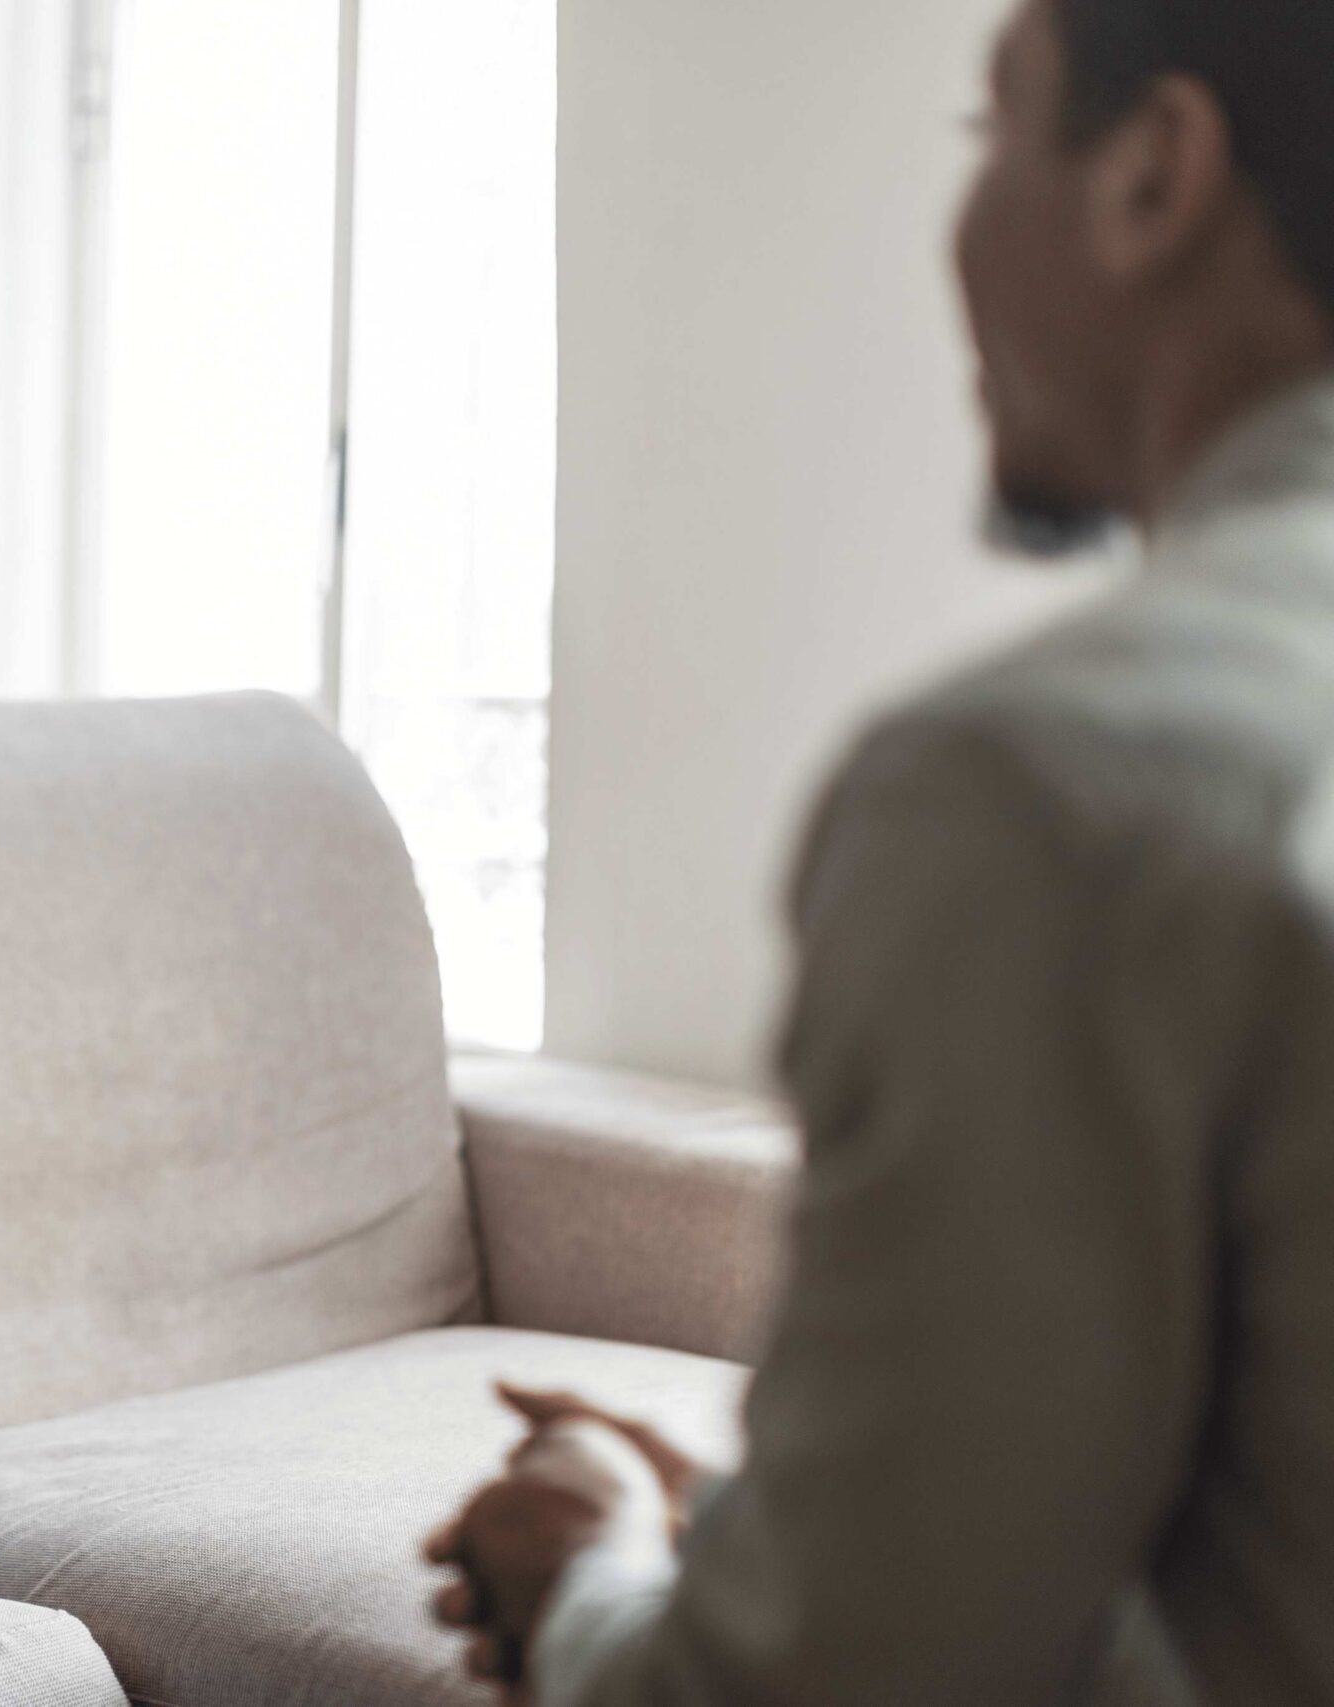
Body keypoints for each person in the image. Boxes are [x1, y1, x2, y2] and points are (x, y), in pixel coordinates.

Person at [425, 0, 1334, 1701]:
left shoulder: (1044, 789)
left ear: (1155, 173)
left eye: (989, 132)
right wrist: (799, 1535)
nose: (963, 231)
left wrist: (595, 1570)